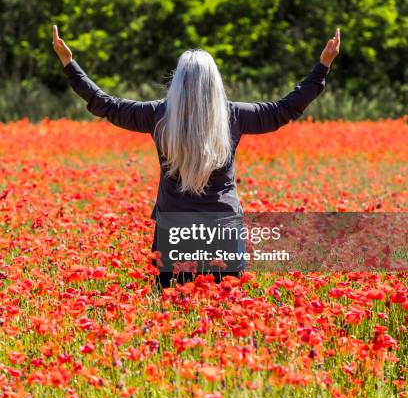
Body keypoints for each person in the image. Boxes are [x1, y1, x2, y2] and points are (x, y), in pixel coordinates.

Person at [52, 25, 340, 287]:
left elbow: (107, 106)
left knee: (175, 328)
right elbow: (284, 110)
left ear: (177, 82)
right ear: (215, 82)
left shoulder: (157, 115)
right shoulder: (233, 115)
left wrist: (70, 65)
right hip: (223, 232)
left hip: (174, 232)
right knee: (227, 326)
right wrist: (322, 67)